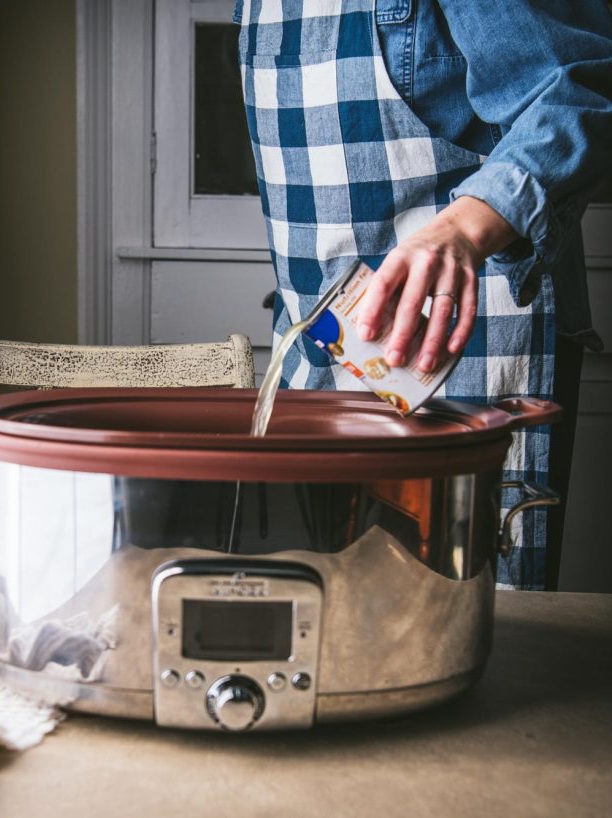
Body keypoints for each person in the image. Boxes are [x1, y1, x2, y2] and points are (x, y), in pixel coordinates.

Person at [234, 0, 612, 589]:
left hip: (473, 350)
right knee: (339, 618)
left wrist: (464, 230)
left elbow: (580, 88)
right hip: (317, 350)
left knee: (460, 621)